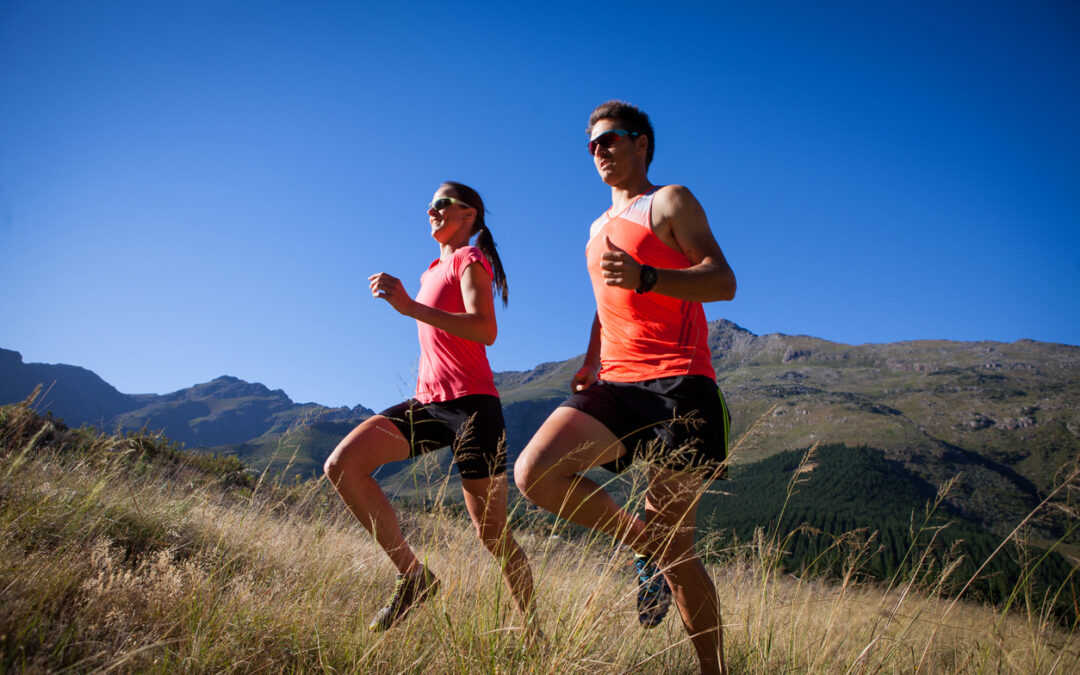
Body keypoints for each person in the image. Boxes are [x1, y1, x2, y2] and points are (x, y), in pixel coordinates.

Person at [514, 101, 736, 674]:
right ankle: (644, 544)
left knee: (682, 553)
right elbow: (604, 303)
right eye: (592, 145)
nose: (600, 151)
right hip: (616, 381)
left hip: (680, 386)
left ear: (642, 144)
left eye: (610, 139)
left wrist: (650, 277)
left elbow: (723, 280)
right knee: (533, 472)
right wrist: (591, 360)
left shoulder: (670, 201)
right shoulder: (594, 229)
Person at [325, 181, 534, 634]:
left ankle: (534, 630)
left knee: (492, 534)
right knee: (342, 465)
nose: (431, 211)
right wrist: (412, 302)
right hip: (428, 403)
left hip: (473, 408)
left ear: (469, 215)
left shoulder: (469, 259)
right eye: (430, 206)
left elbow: (484, 329)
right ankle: (414, 576)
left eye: (442, 204)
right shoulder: (429, 269)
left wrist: (409, 307)